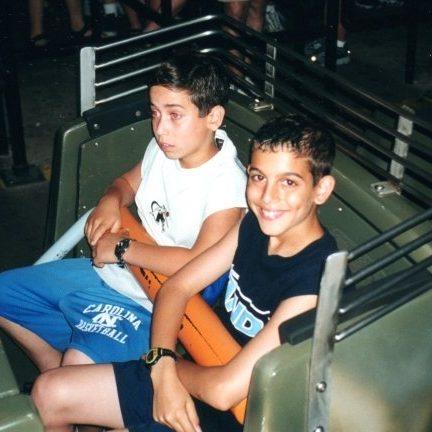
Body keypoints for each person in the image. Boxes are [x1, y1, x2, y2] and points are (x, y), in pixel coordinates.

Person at [31, 114, 338, 432]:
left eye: (288, 182)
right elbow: (175, 288)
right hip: (189, 370)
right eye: (259, 177)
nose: (268, 197)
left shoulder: (316, 281)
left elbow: (223, 392)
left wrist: (165, 369)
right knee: (48, 393)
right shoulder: (253, 226)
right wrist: (162, 364)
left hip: (235, 414)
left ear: (321, 189)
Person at [0, 53, 246, 372]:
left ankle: (67, 379)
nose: (160, 129)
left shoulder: (227, 186)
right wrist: (110, 199)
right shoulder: (165, 149)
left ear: (213, 117)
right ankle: (50, 364)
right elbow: (126, 183)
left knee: (75, 367)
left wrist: (121, 249)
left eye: (175, 115)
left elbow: (197, 263)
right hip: (115, 273)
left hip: (150, 302)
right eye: (155, 113)